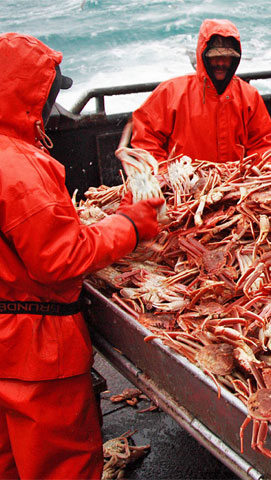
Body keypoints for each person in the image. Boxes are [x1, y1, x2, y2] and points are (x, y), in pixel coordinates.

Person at [0, 33, 163, 479]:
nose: (51, 108)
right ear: (29, 96)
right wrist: (131, 224)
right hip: (38, 351)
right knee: (61, 468)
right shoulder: (18, 168)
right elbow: (60, 257)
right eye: (49, 95)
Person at [131, 18, 271, 163]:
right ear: (203, 56)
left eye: (227, 57)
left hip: (235, 183)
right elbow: (146, 139)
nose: (221, 63)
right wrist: (164, 175)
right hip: (183, 182)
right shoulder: (171, 92)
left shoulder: (249, 96)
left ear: (235, 59)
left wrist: (263, 169)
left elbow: (262, 145)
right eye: (214, 57)